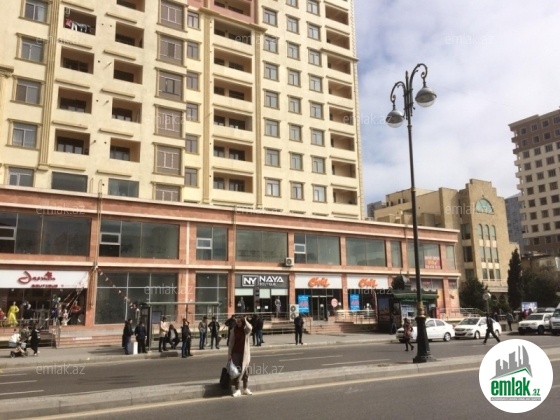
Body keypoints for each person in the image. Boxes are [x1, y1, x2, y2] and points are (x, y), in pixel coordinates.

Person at [228, 316, 253, 397]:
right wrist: (229, 354)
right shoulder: (233, 330)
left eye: (239, 321)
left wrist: (245, 320)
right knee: (237, 372)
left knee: (246, 371)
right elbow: (231, 343)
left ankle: (245, 388)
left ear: (243, 322)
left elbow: (250, 327)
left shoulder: (246, 330)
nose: (238, 323)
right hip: (236, 353)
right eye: (237, 322)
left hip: (245, 353)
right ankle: (237, 389)